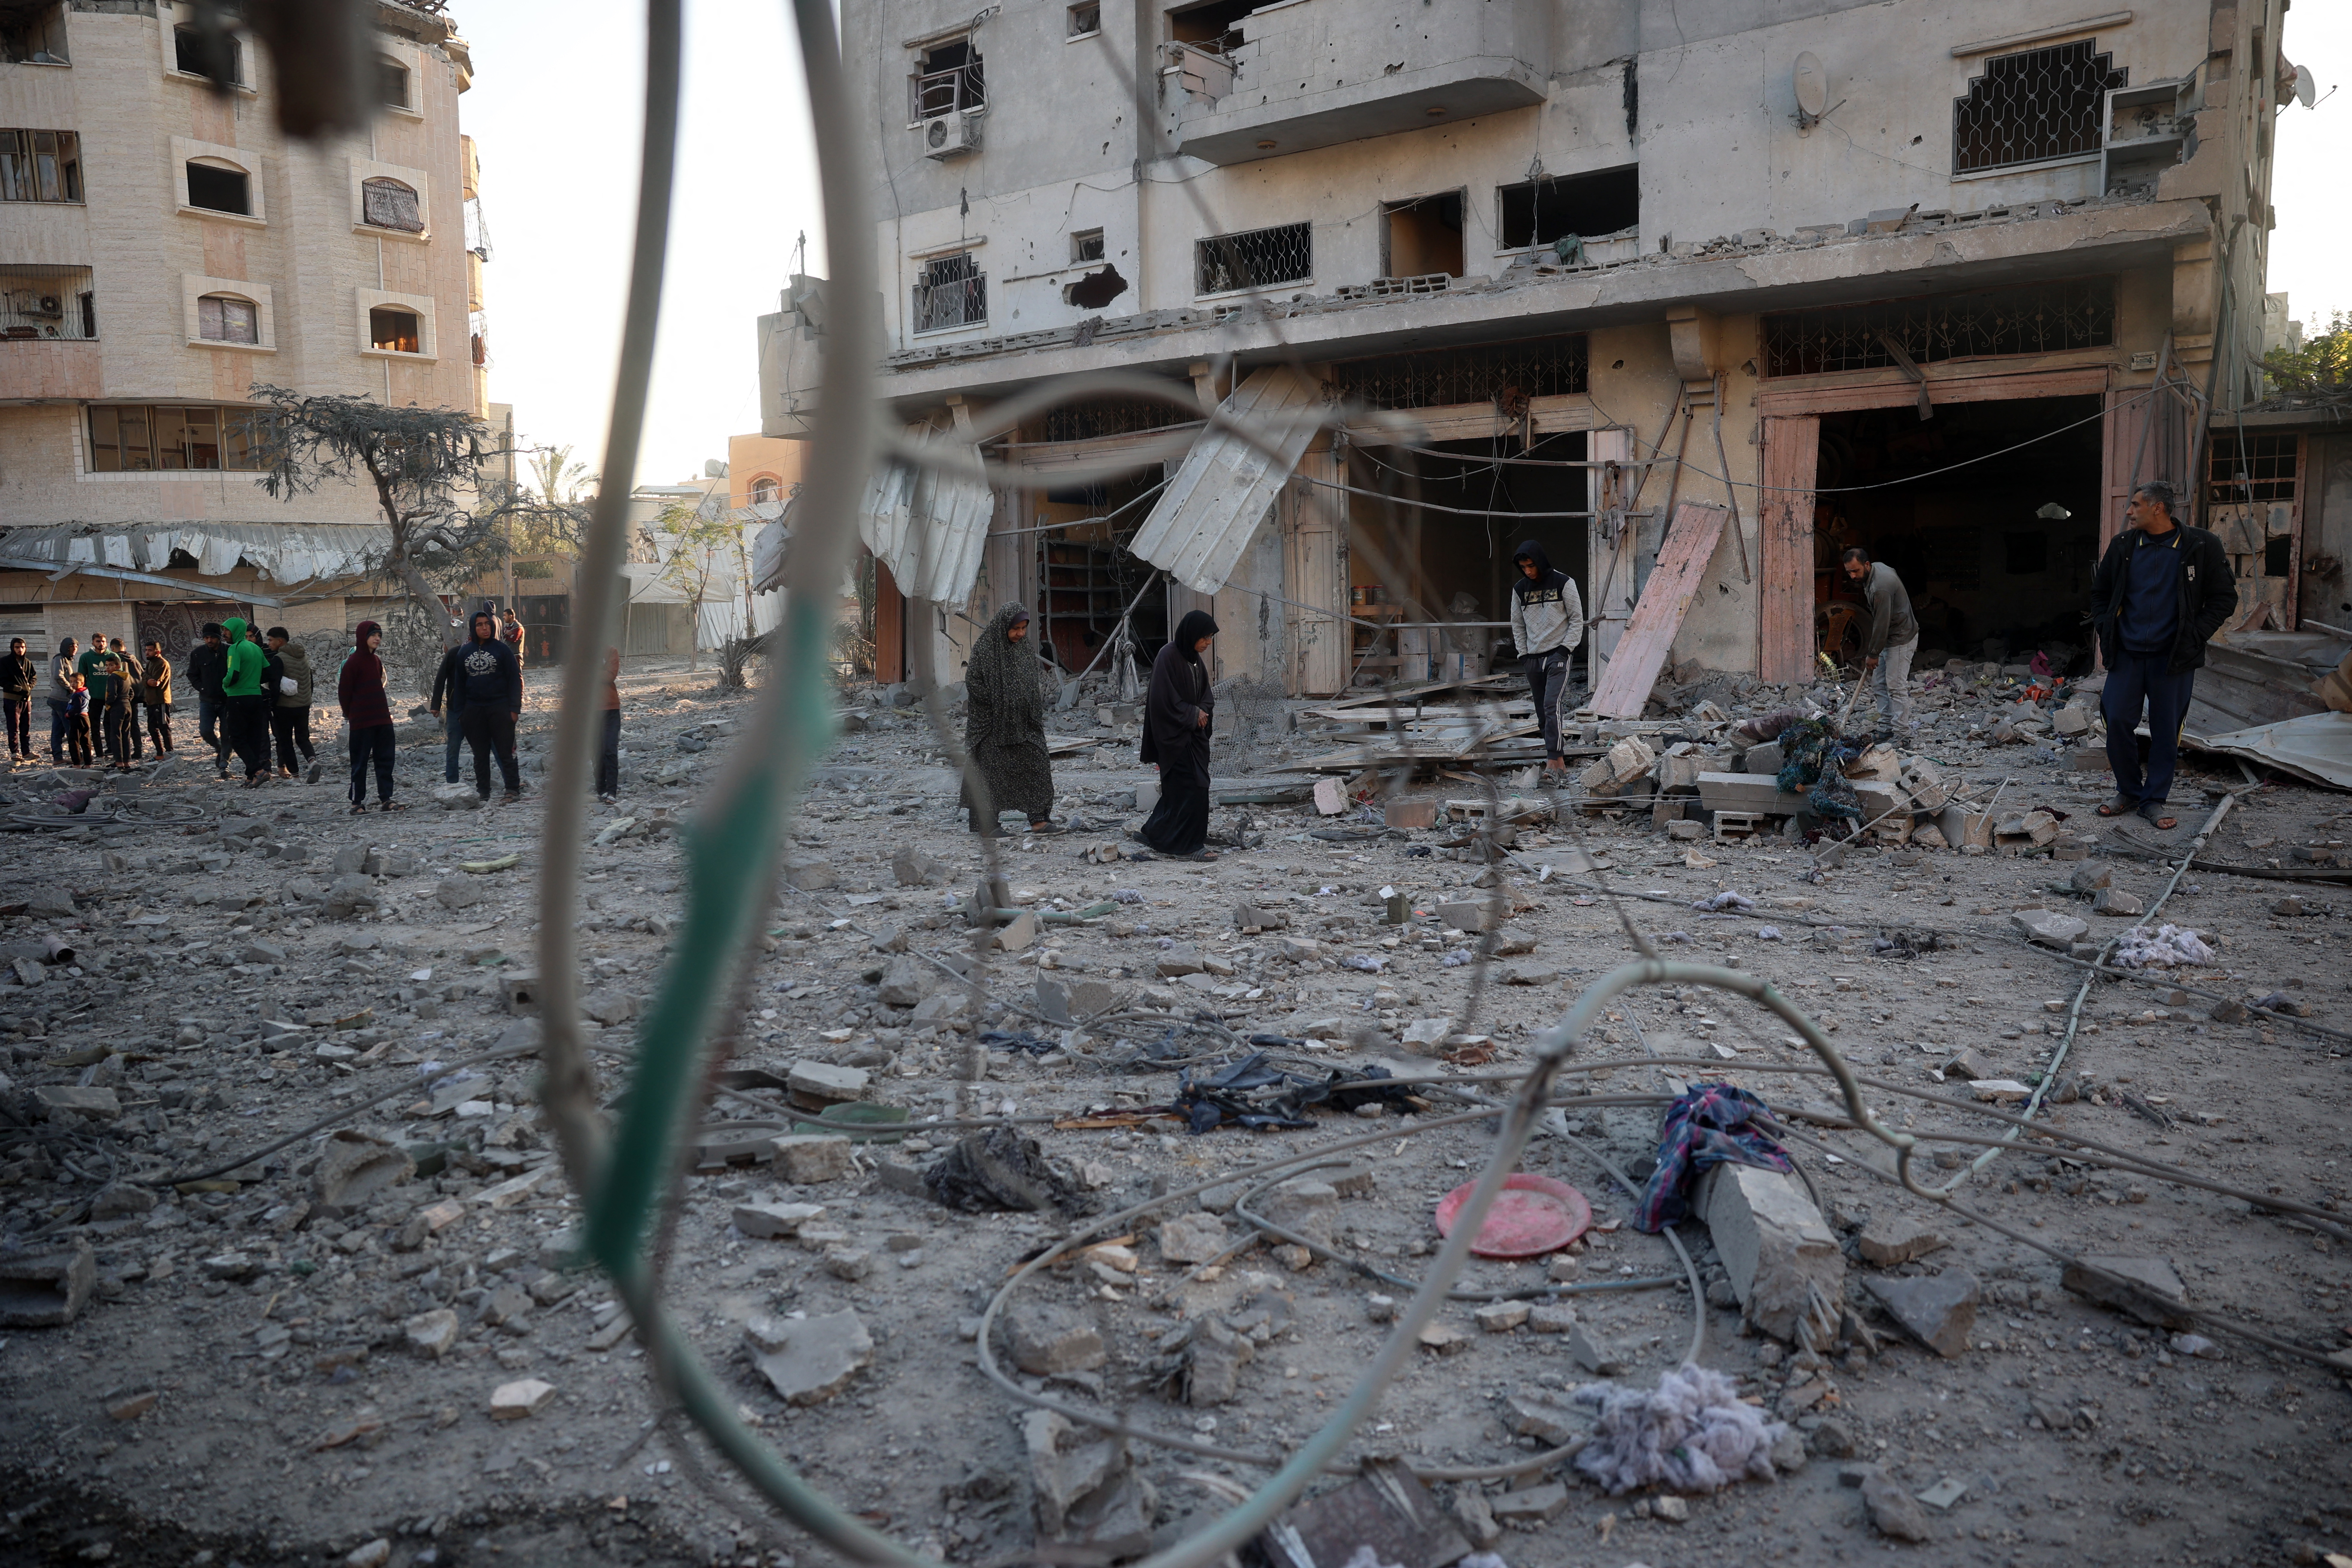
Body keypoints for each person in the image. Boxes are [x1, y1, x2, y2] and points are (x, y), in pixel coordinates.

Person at [2089, 479, 2237, 832]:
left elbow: (2224, 599)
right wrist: (2104, 624)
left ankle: (2153, 800)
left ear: (2158, 508)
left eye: (2136, 505)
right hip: (2126, 654)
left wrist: (2195, 634)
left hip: (2173, 658)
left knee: (2165, 729)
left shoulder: (2201, 545)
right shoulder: (2124, 545)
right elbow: (2101, 593)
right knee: (2118, 722)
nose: (2129, 511)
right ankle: (2128, 792)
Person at [959, 602, 1057, 836]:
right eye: (1016, 629)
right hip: (992, 724)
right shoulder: (986, 648)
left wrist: (1026, 708)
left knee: (1038, 763)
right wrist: (1000, 706)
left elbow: (1030, 681)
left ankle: (1039, 820)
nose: (1020, 633)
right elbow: (974, 682)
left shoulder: (1023, 646)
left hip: (1024, 722)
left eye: (1024, 628)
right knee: (991, 771)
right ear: (1004, 626)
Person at [1136, 609, 1219, 861]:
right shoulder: (1168, 656)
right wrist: (1192, 715)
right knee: (1191, 789)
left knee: (1181, 791)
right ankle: (1187, 846)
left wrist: (1202, 712)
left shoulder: (1194, 659)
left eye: (1210, 638)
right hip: (1174, 736)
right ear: (1191, 634)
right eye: (1205, 638)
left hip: (1193, 737)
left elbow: (1205, 694)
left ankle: (1155, 832)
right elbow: (1163, 701)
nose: (1208, 643)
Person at [1508, 541, 1583, 779]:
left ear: (1540, 561)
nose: (1528, 571)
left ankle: (1553, 760)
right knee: (1542, 711)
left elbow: (1577, 619)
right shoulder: (1520, 589)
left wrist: (1565, 650)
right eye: (1524, 567)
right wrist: (1524, 655)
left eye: (1531, 566)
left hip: (1557, 655)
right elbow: (1517, 624)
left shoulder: (1564, 583)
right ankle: (1558, 763)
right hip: (1532, 658)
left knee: (1553, 706)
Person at [1841, 546, 1919, 741]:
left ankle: (1903, 735)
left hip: (1900, 636)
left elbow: (1882, 623)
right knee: (1879, 683)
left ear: (1867, 565)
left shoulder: (1880, 588)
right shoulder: (1875, 570)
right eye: (1849, 572)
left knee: (1895, 686)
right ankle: (1886, 729)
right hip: (1889, 635)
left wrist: (1873, 654)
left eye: (1855, 571)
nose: (1852, 576)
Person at [453, 608, 524, 801]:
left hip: (500, 708)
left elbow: (514, 681)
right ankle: (483, 792)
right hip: (473, 711)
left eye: (487, 624)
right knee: (480, 755)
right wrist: (461, 713)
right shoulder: (464, 652)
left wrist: (514, 709)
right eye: (480, 625)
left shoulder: (502, 650)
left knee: (506, 752)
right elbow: (458, 684)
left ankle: (512, 789)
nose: (485, 628)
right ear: (473, 628)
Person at [338, 619, 401, 814]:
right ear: (362, 637)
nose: (377, 639)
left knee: (385, 760)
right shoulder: (352, 663)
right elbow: (344, 694)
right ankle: (357, 802)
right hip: (362, 721)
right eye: (373, 635)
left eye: (379, 635)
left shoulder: (376, 661)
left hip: (382, 718)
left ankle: (386, 799)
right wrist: (352, 715)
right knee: (360, 762)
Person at [217, 615, 273, 786]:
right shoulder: (256, 648)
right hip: (256, 697)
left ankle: (258, 771)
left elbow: (233, 675)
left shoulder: (235, 648)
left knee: (237, 738)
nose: (225, 633)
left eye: (228, 630)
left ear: (237, 631)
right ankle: (251, 777)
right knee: (254, 738)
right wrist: (253, 680)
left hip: (238, 698)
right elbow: (267, 672)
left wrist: (224, 683)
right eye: (224, 630)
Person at [265, 626, 319, 781]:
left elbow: (275, 685)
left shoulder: (278, 659)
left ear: (280, 641)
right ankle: (312, 761)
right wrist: (307, 698)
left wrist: (272, 704)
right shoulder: (303, 656)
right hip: (304, 704)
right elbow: (310, 680)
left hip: (285, 707)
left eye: (270, 640)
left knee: (286, 741)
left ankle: (296, 777)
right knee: (303, 738)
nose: (268, 644)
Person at [185, 623, 229, 778]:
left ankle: (225, 766)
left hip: (227, 701)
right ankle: (218, 748)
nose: (209, 640)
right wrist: (202, 688)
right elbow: (192, 674)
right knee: (205, 731)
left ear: (218, 638)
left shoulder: (229, 652)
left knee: (227, 734)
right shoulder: (198, 654)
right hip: (207, 701)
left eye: (212, 637)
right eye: (206, 638)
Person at [429, 639, 468, 785]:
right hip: (455, 708)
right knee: (453, 748)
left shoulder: (483, 653)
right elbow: (440, 679)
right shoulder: (454, 653)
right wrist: (436, 705)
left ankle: (484, 786)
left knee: (482, 748)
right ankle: (452, 783)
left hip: (477, 708)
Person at [101, 639, 138, 770]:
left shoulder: (113, 677)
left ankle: (119, 762)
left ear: (117, 666)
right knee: (126, 734)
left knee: (115, 734)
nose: (108, 668)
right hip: (127, 706)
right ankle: (127, 761)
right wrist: (127, 701)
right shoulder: (126, 676)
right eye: (106, 666)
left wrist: (108, 705)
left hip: (117, 707)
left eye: (110, 665)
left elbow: (112, 694)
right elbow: (132, 692)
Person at [0, 635, 34, 764]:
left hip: (27, 700)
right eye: (17, 647)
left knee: (26, 727)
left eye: (23, 647)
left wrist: (29, 687)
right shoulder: (5, 662)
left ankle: (26, 751)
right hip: (12, 699)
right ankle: (15, 752)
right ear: (12, 648)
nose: (20, 650)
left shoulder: (27, 663)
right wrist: (16, 688)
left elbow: (33, 677)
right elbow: (2, 680)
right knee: (14, 727)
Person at [137, 639, 174, 756]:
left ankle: (169, 753)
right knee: (152, 728)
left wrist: (146, 678)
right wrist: (146, 679)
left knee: (164, 727)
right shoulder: (150, 663)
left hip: (161, 700)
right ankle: (160, 753)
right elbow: (144, 677)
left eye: (150, 651)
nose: (147, 653)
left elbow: (155, 681)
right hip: (151, 701)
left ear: (157, 652)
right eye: (146, 650)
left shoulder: (162, 663)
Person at [597, 645, 623, 803]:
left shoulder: (611, 650)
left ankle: (612, 790)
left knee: (610, 750)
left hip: (610, 708)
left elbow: (610, 676)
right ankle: (601, 790)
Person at [45, 636, 77, 765]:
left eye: (76, 647)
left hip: (57, 699)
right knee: (70, 728)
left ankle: (58, 758)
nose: (74, 649)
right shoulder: (59, 658)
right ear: (66, 647)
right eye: (72, 647)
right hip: (61, 699)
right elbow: (58, 676)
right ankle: (77, 757)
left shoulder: (66, 659)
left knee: (57, 730)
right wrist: (70, 689)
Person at [62, 668, 92, 767]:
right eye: (71, 682)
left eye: (76, 682)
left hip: (77, 719)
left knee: (74, 741)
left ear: (82, 683)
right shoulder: (86, 693)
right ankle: (88, 763)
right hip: (86, 718)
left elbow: (77, 708)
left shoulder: (77, 695)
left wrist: (68, 714)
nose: (73, 684)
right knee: (86, 741)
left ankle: (77, 764)